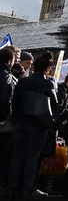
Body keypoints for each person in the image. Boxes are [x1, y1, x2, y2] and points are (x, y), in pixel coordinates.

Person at [8, 51, 59, 201]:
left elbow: (15, 102)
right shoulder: (48, 83)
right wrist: (52, 121)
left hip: (21, 122)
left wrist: (17, 119)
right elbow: (55, 106)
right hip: (38, 125)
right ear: (47, 68)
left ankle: (12, 188)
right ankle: (27, 189)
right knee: (32, 157)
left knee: (16, 156)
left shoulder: (23, 81)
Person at [0, 46, 17, 189]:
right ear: (9, 61)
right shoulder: (5, 76)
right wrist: (3, 118)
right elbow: (4, 100)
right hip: (3, 123)